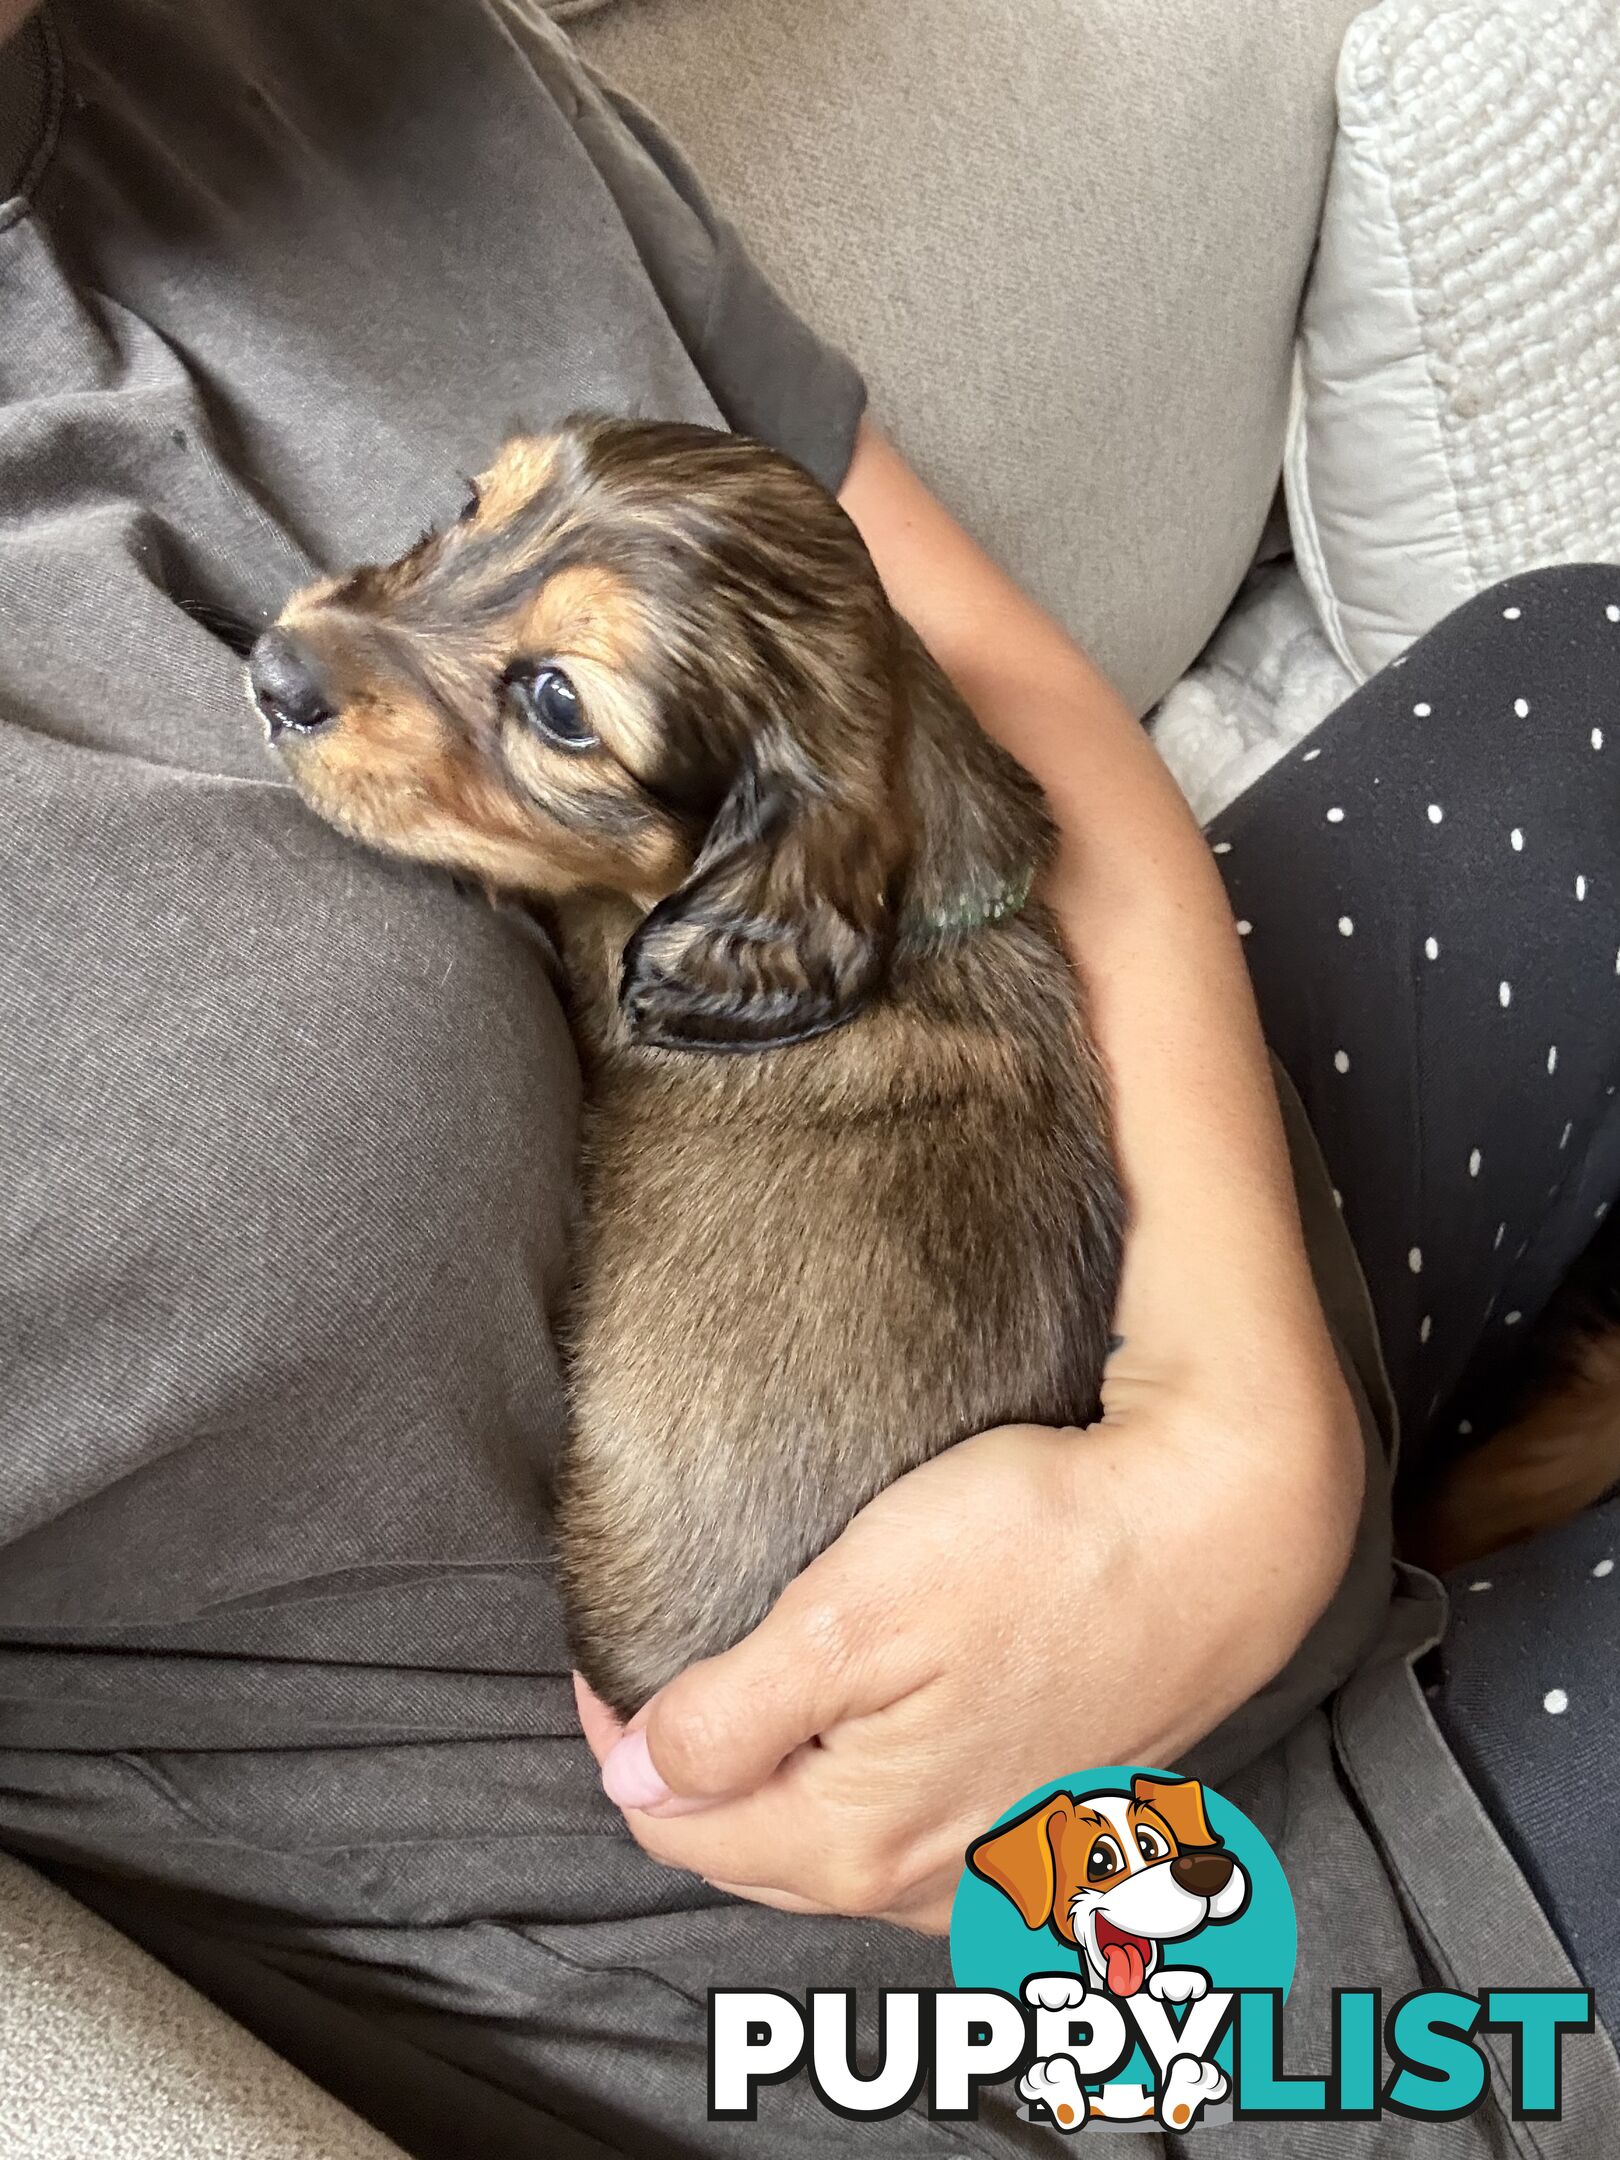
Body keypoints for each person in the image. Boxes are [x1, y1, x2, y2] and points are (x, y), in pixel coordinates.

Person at [0, 2, 1615, 2154]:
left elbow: (979, 700)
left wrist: (1240, 1436)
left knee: (1588, 680)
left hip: (1128, 1308)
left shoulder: (372, 50)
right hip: (1046, 1975)